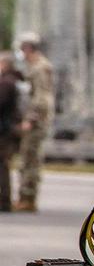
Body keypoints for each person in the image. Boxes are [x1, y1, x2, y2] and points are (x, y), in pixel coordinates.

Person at [12, 33, 53, 213]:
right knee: (27, 158)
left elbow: (42, 98)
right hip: (34, 119)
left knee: (30, 159)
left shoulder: (40, 68)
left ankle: (28, 198)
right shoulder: (33, 67)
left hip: (36, 122)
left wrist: (30, 119)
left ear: (29, 48)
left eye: (22, 48)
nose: (21, 52)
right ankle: (25, 197)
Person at [0, 54, 24, 211]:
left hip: (4, 130)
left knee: (2, 165)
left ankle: (4, 200)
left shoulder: (6, 83)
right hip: (9, 128)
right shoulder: (13, 81)